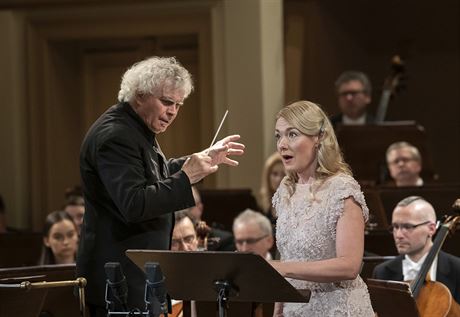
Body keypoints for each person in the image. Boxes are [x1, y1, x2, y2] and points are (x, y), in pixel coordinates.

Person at [76, 56, 245, 316]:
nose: (173, 112)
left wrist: (197, 161)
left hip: (136, 278)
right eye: (167, 102)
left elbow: (152, 177)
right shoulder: (116, 136)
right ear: (140, 95)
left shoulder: (135, 129)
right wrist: (187, 176)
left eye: (178, 105)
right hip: (120, 283)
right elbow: (134, 203)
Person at [269, 100, 374, 316]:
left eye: (292, 134)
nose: (282, 144)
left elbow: (350, 266)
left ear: (318, 138)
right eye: (278, 135)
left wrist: (283, 268)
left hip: (338, 308)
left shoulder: (342, 189)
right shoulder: (285, 190)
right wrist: (278, 306)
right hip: (295, 307)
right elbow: (289, 252)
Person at [372, 196, 460, 304]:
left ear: (431, 229)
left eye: (408, 227)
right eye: (395, 227)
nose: (399, 235)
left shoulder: (457, 269)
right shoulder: (382, 272)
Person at [258, 152, 285, 224]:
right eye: (275, 174)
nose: (279, 179)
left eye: (284, 174)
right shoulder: (265, 204)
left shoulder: (296, 203)